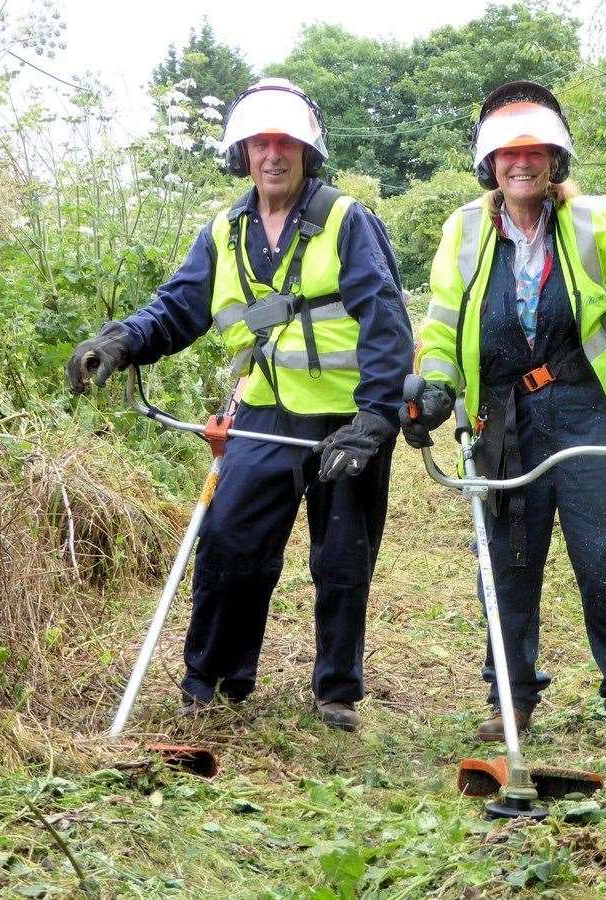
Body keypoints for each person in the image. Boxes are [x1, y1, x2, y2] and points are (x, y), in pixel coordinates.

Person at [67, 78, 413, 732]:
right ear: (243, 153)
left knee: (342, 558)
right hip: (265, 412)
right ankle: (215, 682)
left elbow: (386, 322)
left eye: (285, 143)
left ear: (308, 151)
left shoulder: (347, 220)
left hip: (349, 418)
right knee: (228, 539)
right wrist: (120, 342)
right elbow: (178, 307)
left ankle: (336, 692)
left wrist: (375, 417)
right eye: (260, 143)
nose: (272, 156)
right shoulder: (224, 233)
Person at [402, 81, 606, 747]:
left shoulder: (592, 222)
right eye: (508, 155)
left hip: (588, 408)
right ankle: (511, 696)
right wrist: (438, 387)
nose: (521, 164)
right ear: (490, 165)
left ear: (554, 160)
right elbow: (445, 321)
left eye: (534, 152)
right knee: (508, 560)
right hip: (505, 419)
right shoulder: (467, 230)